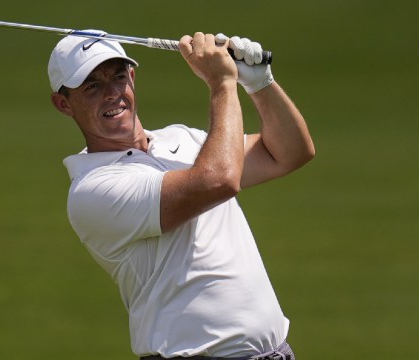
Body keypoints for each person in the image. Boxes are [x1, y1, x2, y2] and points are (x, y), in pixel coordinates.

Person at [48, 30, 315, 360]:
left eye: (118, 77)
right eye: (92, 86)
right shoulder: (93, 190)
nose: (112, 93)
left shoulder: (181, 138)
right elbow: (219, 180)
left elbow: (290, 153)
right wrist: (222, 84)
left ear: (132, 77)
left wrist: (260, 85)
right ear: (63, 104)